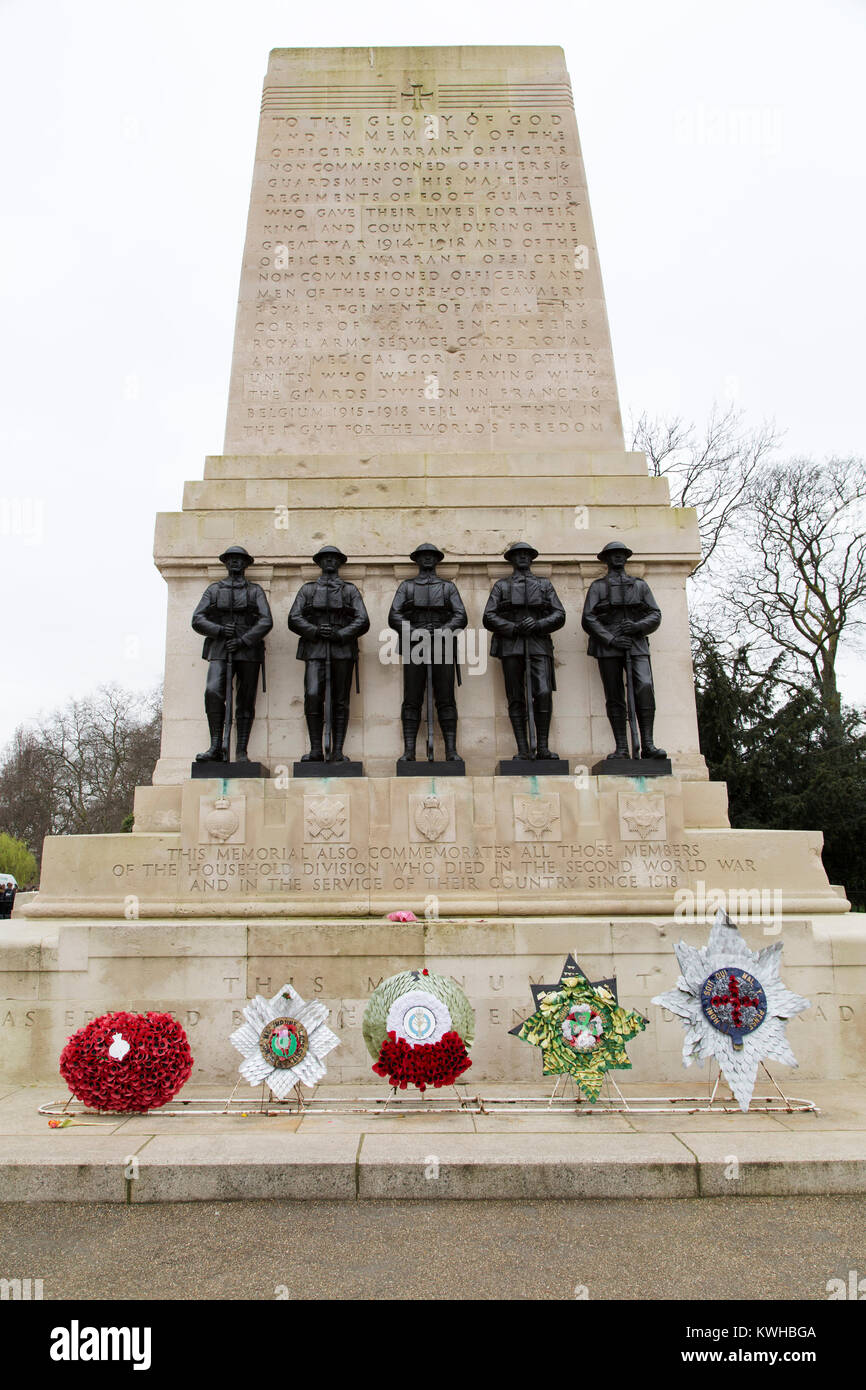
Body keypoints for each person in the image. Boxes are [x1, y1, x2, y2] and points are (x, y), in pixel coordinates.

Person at [581, 541, 666, 760]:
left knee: (645, 688)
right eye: (612, 554)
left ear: (626, 557)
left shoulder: (640, 585)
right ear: (606, 559)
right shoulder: (598, 587)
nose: (617, 558)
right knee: (614, 695)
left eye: (621, 554)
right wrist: (611, 639)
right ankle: (621, 747)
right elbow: (588, 618)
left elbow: (655, 614)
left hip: (636, 644)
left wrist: (638, 626)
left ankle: (648, 744)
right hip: (608, 646)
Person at [483, 542, 566, 760]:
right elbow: (488, 616)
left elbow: (559, 614)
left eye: (526, 555)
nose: (522, 558)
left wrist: (539, 624)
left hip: (538, 643)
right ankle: (522, 748)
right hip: (511, 645)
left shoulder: (544, 585)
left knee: (543, 692)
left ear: (531, 558)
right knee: (516, 696)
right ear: (511, 559)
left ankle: (543, 747)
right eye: (517, 555)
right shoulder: (502, 586)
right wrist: (512, 627)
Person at [287, 545, 370, 763]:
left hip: (342, 648)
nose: (330, 562)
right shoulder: (308, 590)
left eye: (334, 559)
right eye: (326, 558)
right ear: (320, 562)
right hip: (315, 648)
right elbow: (294, 617)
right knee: (313, 695)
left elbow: (363, 619)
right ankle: (316, 749)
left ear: (340, 562)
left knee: (340, 700)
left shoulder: (350, 590)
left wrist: (341, 634)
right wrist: (314, 630)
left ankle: (338, 751)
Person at [191, 545, 273, 762]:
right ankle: (216, 745)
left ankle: (241, 751)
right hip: (220, 648)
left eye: (240, 559)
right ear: (225, 563)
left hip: (248, 650)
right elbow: (197, 619)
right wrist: (219, 630)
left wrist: (243, 640)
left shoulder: (255, 590)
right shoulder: (214, 590)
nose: (235, 562)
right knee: (213, 693)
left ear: (246, 564)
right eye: (231, 559)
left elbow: (266, 620)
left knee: (245, 701)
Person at [388, 542, 468, 762]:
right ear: (416, 559)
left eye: (431, 556)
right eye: (423, 556)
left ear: (437, 559)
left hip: (442, 645)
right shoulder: (407, 586)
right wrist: (415, 631)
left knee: (446, 697)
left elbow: (460, 616)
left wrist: (443, 631)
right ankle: (409, 751)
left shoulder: (448, 587)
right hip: (415, 645)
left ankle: (451, 751)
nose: (427, 559)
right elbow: (394, 615)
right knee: (412, 698)